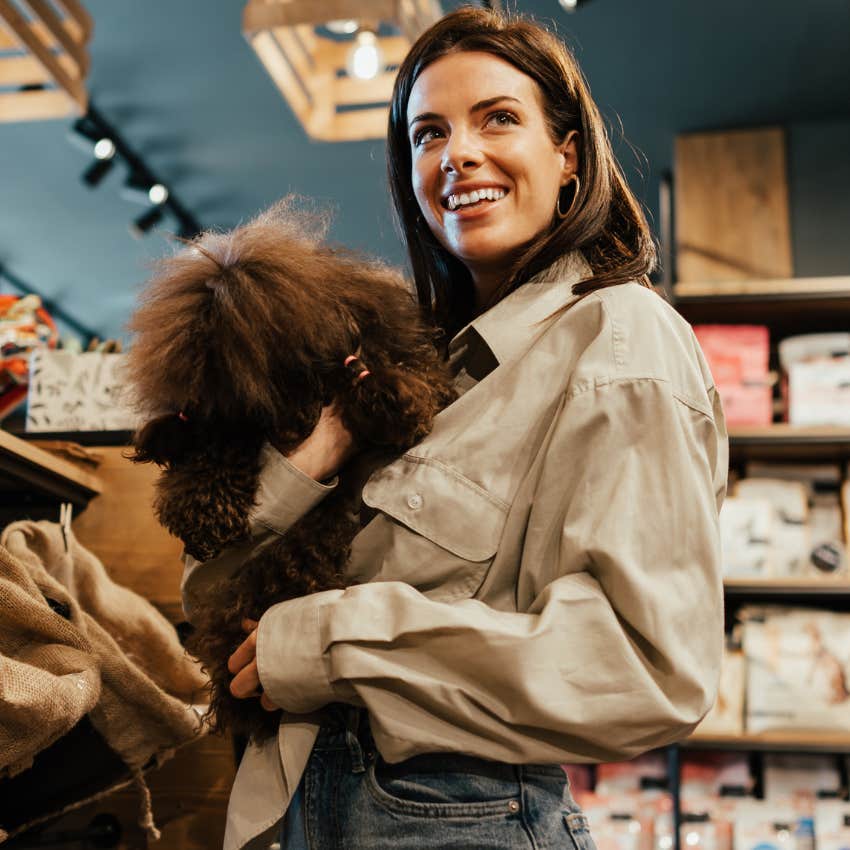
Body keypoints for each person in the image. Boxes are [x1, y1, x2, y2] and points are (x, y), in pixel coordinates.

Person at [185, 7, 728, 849]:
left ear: (568, 156)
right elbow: (212, 595)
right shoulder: (414, 372)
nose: (458, 153)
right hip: (311, 807)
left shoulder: (620, 337)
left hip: (453, 815)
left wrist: (334, 643)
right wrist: (325, 449)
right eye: (427, 134)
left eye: (499, 118)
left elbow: (644, 668)